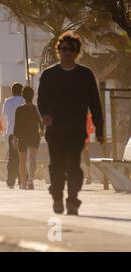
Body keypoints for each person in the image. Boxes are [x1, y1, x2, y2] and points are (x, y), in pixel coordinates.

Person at [38, 32, 104, 216]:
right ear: (59, 50)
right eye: (64, 49)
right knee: (57, 165)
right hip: (55, 130)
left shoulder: (85, 75)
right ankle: (57, 196)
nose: (67, 53)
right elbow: (41, 100)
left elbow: (95, 104)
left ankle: (72, 199)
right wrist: (45, 115)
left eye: (71, 49)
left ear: (77, 52)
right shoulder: (49, 75)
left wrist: (99, 129)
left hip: (76, 130)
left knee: (74, 165)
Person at [13, 86, 44, 190]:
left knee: (22, 160)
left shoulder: (19, 110)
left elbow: (16, 125)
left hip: (22, 136)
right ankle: (30, 179)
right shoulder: (36, 109)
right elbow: (41, 122)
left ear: (23, 96)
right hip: (34, 135)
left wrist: (14, 138)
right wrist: (42, 131)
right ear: (33, 95)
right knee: (32, 158)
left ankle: (23, 183)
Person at [2, 83, 25, 188]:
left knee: (12, 157)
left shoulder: (8, 101)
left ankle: (11, 180)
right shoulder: (24, 101)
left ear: (12, 90)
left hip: (11, 131)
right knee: (23, 157)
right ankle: (22, 179)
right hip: (23, 133)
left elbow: (4, 114)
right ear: (21, 91)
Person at [83, 112, 95, 185]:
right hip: (81, 140)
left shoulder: (88, 115)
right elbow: (92, 129)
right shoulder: (88, 115)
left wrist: (87, 132)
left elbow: (92, 128)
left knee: (86, 157)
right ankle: (88, 176)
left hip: (84, 140)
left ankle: (89, 176)